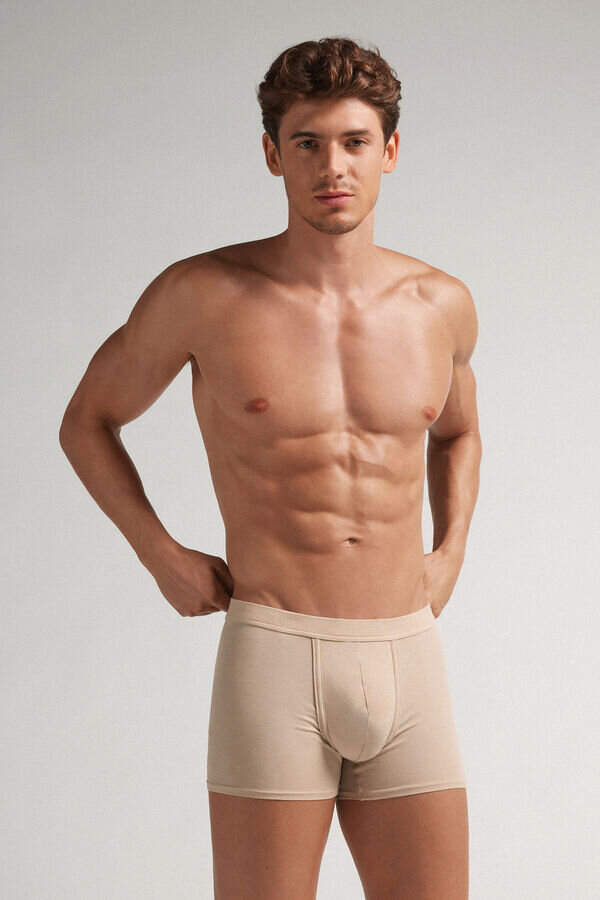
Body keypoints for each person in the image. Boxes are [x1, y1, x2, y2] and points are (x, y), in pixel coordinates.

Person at [59, 35, 481, 900]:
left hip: (408, 654)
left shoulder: (440, 304)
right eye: (307, 143)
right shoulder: (202, 294)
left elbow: (459, 433)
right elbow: (87, 422)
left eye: (355, 142)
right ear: (271, 153)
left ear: (390, 151)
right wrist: (160, 553)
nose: (333, 166)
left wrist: (452, 550)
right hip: (276, 656)